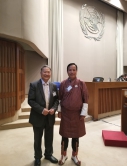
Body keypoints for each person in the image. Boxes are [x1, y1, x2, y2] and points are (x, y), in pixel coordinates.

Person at [58, 63, 89, 166]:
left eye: (74, 70)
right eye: (70, 70)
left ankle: (74, 155)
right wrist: (60, 111)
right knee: (64, 135)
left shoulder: (81, 83)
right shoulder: (63, 83)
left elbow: (86, 99)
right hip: (66, 114)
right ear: (67, 71)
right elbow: (60, 98)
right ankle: (63, 155)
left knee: (76, 136)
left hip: (77, 114)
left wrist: (83, 113)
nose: (72, 72)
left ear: (76, 71)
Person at [28, 65, 59, 166]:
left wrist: (54, 109)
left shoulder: (53, 86)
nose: (46, 74)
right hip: (38, 116)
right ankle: (37, 157)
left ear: (50, 73)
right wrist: (41, 110)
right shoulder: (34, 85)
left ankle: (48, 154)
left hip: (50, 117)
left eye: (48, 72)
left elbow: (56, 100)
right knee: (38, 139)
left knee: (49, 137)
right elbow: (30, 101)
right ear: (41, 73)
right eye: (44, 72)